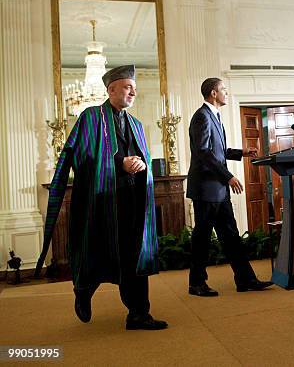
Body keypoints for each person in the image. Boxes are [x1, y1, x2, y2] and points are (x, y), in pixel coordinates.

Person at [35, 65, 167, 330]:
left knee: (134, 256)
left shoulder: (137, 124)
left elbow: (143, 158)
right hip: (102, 203)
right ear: (111, 89)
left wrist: (140, 164)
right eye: (128, 87)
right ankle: (83, 289)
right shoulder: (91, 117)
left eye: (135, 89)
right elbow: (81, 156)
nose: (133, 93)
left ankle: (138, 313)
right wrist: (121, 163)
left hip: (132, 201)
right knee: (96, 251)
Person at [187, 78, 273, 297]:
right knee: (202, 238)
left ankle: (245, 280)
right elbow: (204, 153)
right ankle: (196, 284)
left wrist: (240, 153)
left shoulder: (214, 116)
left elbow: (218, 151)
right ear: (214, 93)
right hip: (206, 189)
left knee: (231, 236)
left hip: (218, 190)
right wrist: (228, 177)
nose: (227, 92)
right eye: (224, 89)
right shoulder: (201, 117)